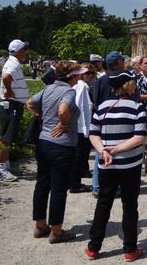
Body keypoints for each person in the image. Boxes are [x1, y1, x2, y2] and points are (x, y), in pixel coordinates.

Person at [85, 71, 147, 261]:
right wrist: (117, 150)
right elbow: (140, 137)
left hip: (106, 164)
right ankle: (129, 248)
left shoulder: (103, 106)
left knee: (103, 204)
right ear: (128, 85)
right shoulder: (137, 106)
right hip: (130, 164)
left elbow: (93, 134)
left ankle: (93, 247)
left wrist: (103, 150)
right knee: (130, 205)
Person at [27, 61, 87, 243]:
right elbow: (63, 109)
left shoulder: (49, 88)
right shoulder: (68, 91)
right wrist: (62, 123)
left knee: (42, 184)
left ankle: (40, 225)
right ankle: (56, 231)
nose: (80, 76)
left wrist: (41, 117)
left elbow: (30, 102)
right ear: (72, 76)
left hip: (44, 142)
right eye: (78, 74)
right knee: (59, 188)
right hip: (61, 146)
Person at [91, 50, 126, 198]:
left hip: (102, 119)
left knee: (102, 151)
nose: (124, 63)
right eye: (122, 61)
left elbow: (96, 101)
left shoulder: (101, 80)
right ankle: (110, 186)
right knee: (116, 151)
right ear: (118, 63)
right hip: (117, 120)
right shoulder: (121, 79)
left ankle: (97, 187)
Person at [0, 40, 30, 182]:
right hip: (11, 105)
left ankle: (6, 165)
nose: (26, 52)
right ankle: (1, 169)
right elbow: (5, 77)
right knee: (6, 138)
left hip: (13, 104)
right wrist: (9, 91)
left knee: (8, 137)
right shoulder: (13, 64)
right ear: (18, 51)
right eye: (24, 49)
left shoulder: (13, 62)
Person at [69, 62, 96, 194]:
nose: (90, 75)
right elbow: (79, 107)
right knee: (79, 156)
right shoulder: (82, 86)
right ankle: (75, 184)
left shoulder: (84, 86)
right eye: (87, 73)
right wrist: (85, 128)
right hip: (81, 127)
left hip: (81, 126)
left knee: (80, 156)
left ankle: (75, 180)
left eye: (92, 73)